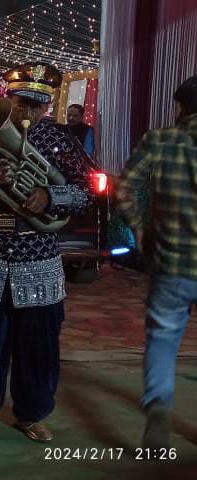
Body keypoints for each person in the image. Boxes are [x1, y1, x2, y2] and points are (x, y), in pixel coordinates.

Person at [0, 63, 93, 442]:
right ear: (8, 101)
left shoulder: (62, 140)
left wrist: (49, 195)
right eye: (21, 103)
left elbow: (85, 192)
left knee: (39, 345)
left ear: (48, 105)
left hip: (38, 258)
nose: (29, 112)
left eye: (37, 104)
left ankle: (31, 413)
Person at [116, 76, 197, 449]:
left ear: (181, 106)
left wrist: (140, 229)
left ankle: (159, 411)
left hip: (172, 263)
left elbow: (125, 188)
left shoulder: (160, 140)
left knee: (163, 339)